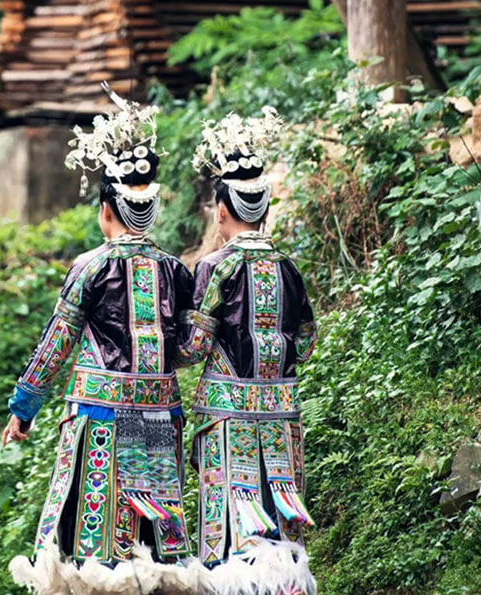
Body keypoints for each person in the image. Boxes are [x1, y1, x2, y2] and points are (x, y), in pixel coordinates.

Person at [5, 84, 197, 594]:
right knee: (154, 544)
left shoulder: (90, 267)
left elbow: (57, 342)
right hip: (157, 416)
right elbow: (183, 348)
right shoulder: (177, 271)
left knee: (98, 553)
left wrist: (24, 408)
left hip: (101, 419)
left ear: (107, 211)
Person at [177, 110, 318, 594]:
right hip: (281, 415)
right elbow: (307, 338)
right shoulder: (289, 268)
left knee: (234, 530)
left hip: (227, 419)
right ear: (264, 209)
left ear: (221, 211)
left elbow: (194, 347)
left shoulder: (215, 267)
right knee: (281, 522)